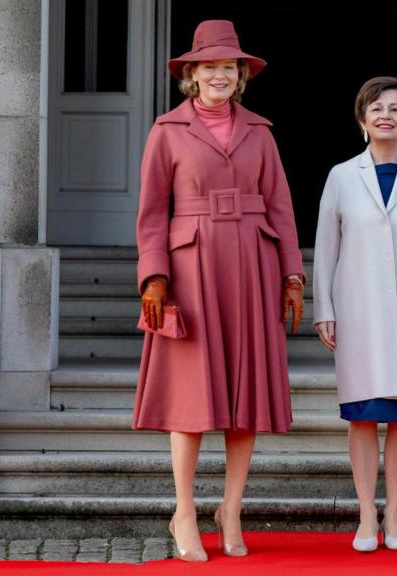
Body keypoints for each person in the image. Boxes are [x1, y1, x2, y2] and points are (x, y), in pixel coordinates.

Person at [134, 20, 305, 562]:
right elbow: (150, 213)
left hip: (252, 266)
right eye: (208, 66)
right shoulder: (167, 130)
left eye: (228, 67)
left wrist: (292, 274)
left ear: (240, 75)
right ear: (191, 74)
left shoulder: (261, 131)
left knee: (245, 396)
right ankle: (184, 511)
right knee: (191, 399)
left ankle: (231, 507)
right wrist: (154, 276)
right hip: (190, 268)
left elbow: (280, 205)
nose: (219, 75)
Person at [313, 76, 397, 553]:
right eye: (376, 108)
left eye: (395, 108)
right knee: (363, 414)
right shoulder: (340, 176)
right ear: (362, 119)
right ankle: (365, 513)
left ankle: (394, 513)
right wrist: (323, 308)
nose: (385, 115)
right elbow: (327, 248)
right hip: (359, 311)